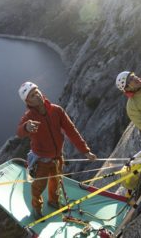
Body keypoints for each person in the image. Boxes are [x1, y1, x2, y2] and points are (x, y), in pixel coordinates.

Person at [16, 81, 97, 219]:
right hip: (41, 159)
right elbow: (19, 132)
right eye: (32, 95)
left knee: (56, 181)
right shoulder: (29, 117)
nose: (37, 95)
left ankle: (53, 201)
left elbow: (71, 130)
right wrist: (26, 127)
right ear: (28, 102)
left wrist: (85, 150)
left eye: (37, 91)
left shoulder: (56, 110)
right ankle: (37, 207)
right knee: (38, 186)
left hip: (57, 156)